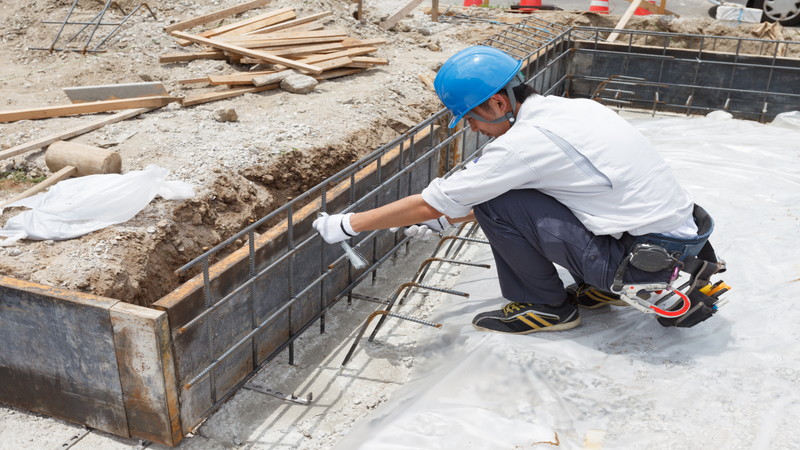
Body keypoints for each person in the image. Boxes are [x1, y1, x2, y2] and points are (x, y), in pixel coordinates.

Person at [313, 45, 722, 334]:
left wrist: (348, 224)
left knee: (496, 202)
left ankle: (547, 307)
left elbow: (433, 202)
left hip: (640, 262)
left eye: (471, 117)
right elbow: (549, 190)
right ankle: (602, 287)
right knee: (501, 196)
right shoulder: (573, 109)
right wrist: (448, 218)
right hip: (672, 246)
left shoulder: (523, 145)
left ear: (498, 104)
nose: (473, 128)